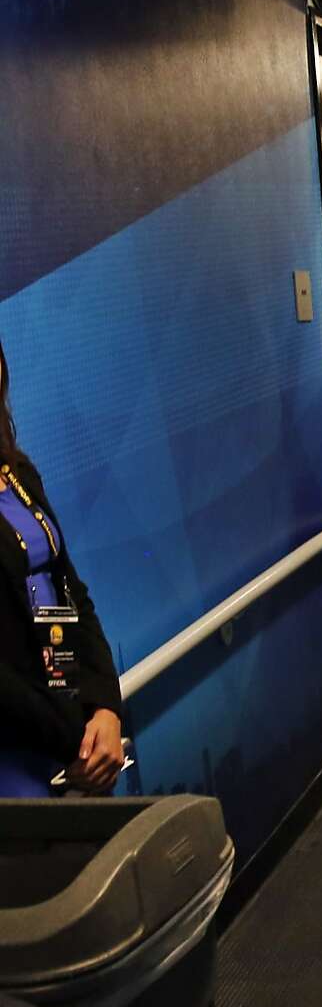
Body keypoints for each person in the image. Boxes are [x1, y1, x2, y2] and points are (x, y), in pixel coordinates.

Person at [0, 336, 126, 797]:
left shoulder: (18, 474)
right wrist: (74, 737)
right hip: (20, 756)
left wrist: (105, 709)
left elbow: (70, 590)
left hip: (76, 733)